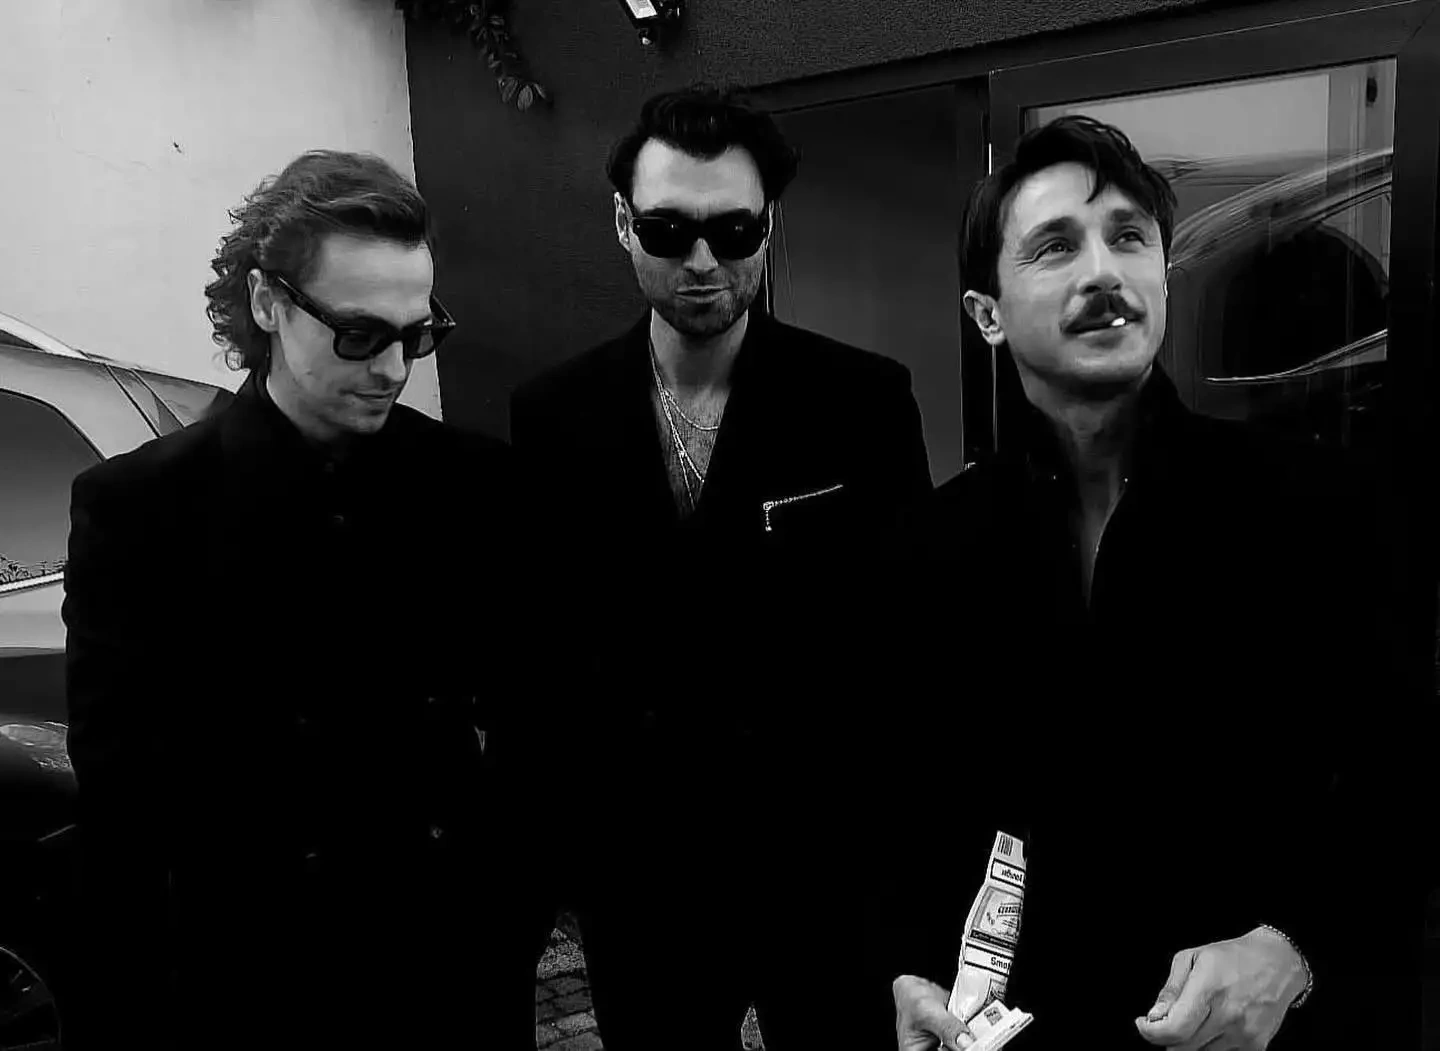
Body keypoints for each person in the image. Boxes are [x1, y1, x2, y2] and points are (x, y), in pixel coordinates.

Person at [880, 116, 1411, 1050]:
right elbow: (903, 802)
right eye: (1055, 246)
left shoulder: (1312, 505)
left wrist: (1296, 945)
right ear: (987, 315)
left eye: (1129, 237)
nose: (1103, 271)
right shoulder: (937, 542)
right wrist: (906, 968)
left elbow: (1401, 766)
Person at [62, 150, 538, 1049]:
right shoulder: (140, 507)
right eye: (358, 334)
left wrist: (506, 915)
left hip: (448, 976)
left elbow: (533, 717)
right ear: (267, 303)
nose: (393, 368)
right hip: (248, 982)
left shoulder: (472, 483)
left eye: (417, 335)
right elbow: (124, 795)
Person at [509, 84, 933, 1050]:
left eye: (734, 229)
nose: (703, 260)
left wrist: (903, 888)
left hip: (822, 868)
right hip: (642, 880)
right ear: (624, 222)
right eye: (669, 230)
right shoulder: (553, 414)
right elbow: (542, 661)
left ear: (768, 222)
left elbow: (908, 651)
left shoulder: (862, 400)